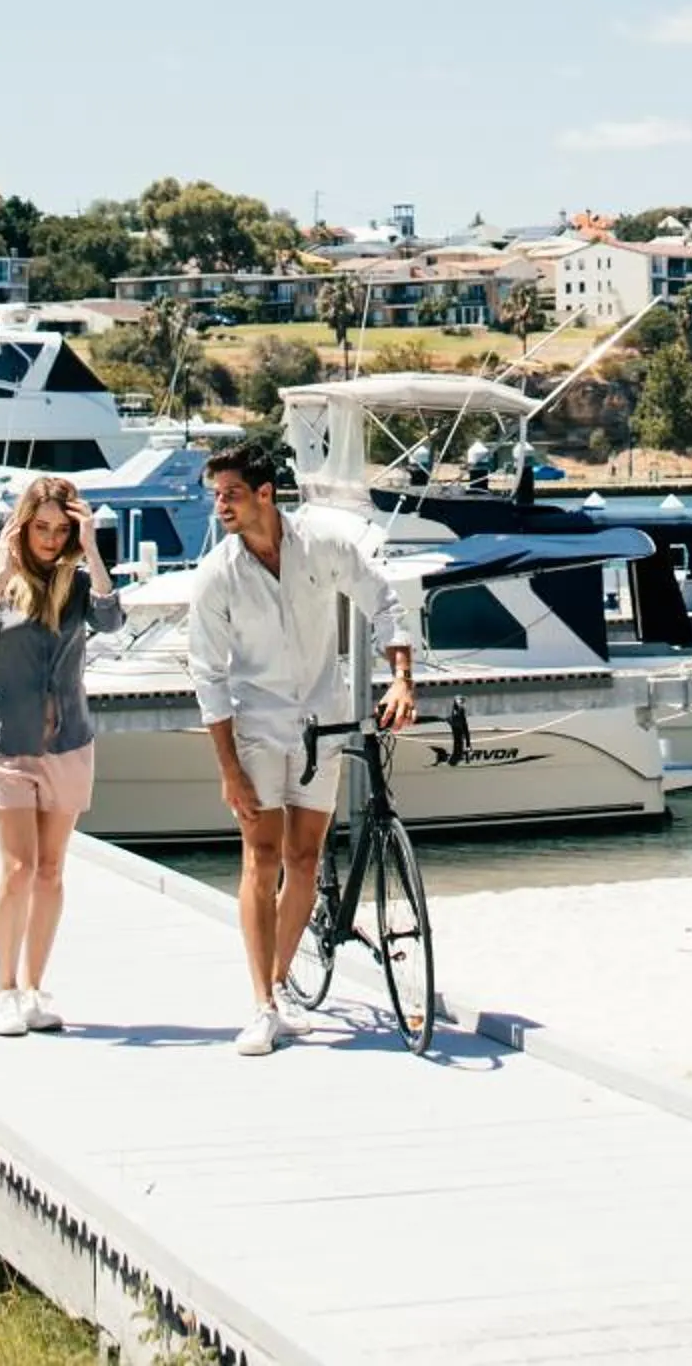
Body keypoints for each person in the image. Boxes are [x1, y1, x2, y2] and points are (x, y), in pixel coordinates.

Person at [186, 437, 416, 1057]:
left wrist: (401, 677)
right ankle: (261, 1004)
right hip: (256, 727)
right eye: (216, 496)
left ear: (265, 493)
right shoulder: (217, 576)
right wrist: (228, 768)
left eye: (231, 494)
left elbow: (384, 600)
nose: (221, 507)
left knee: (306, 861)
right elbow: (207, 677)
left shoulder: (324, 545)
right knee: (261, 858)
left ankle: (281, 983)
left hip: (323, 722)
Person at [0, 472, 122, 1036]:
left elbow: (111, 620)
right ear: (23, 526)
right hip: (6, 741)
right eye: (40, 527)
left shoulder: (76, 581)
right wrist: (0, 572)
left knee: (50, 871)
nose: (50, 538)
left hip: (67, 741)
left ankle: (33, 989)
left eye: (60, 529)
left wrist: (91, 547)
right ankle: (3, 989)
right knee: (18, 868)